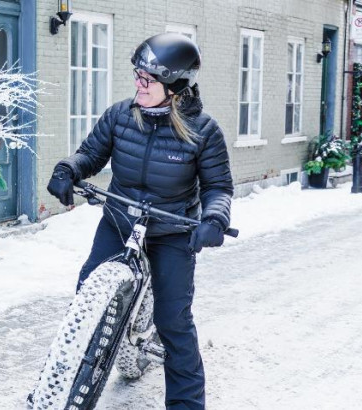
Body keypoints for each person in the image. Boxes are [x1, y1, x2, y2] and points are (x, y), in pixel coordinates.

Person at [46, 33, 233, 409]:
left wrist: (213, 218)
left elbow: (218, 187)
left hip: (171, 232)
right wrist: (68, 170)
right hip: (120, 220)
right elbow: (90, 155)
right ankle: (64, 386)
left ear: (175, 86)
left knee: (174, 322)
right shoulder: (120, 115)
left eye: (147, 80)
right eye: (137, 75)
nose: (138, 84)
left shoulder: (204, 132)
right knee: (86, 294)